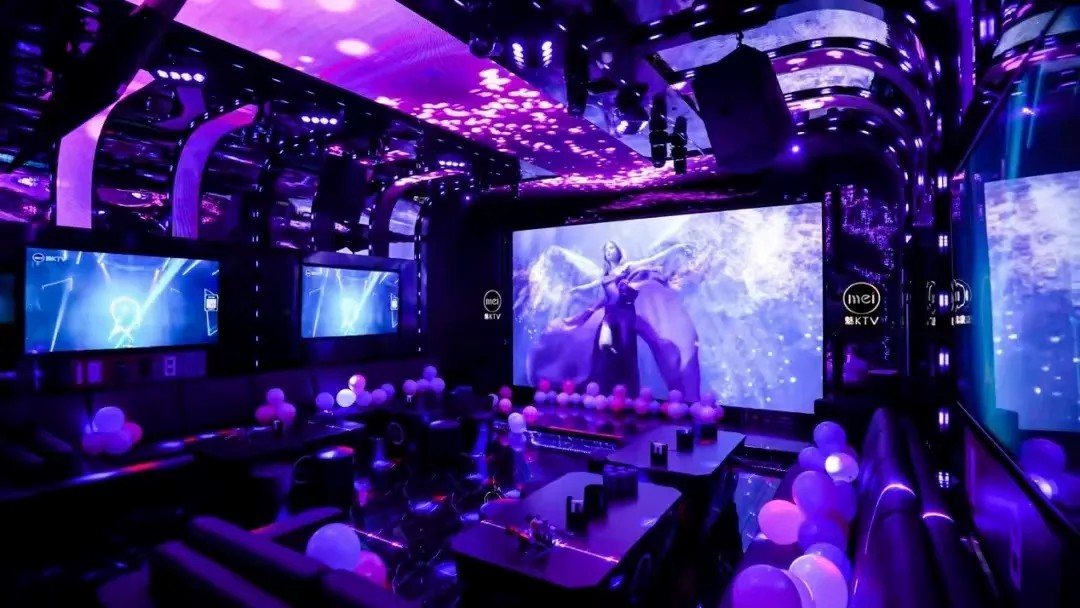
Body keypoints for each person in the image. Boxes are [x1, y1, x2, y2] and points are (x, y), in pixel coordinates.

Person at [527, 240, 701, 400]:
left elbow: (652, 259)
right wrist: (577, 290)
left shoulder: (627, 267)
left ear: (618, 251)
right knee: (604, 344)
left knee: (626, 350)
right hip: (610, 315)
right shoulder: (605, 273)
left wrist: (675, 248)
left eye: (612, 248)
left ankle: (627, 389)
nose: (609, 251)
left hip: (625, 314)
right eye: (607, 250)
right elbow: (593, 285)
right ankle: (610, 384)